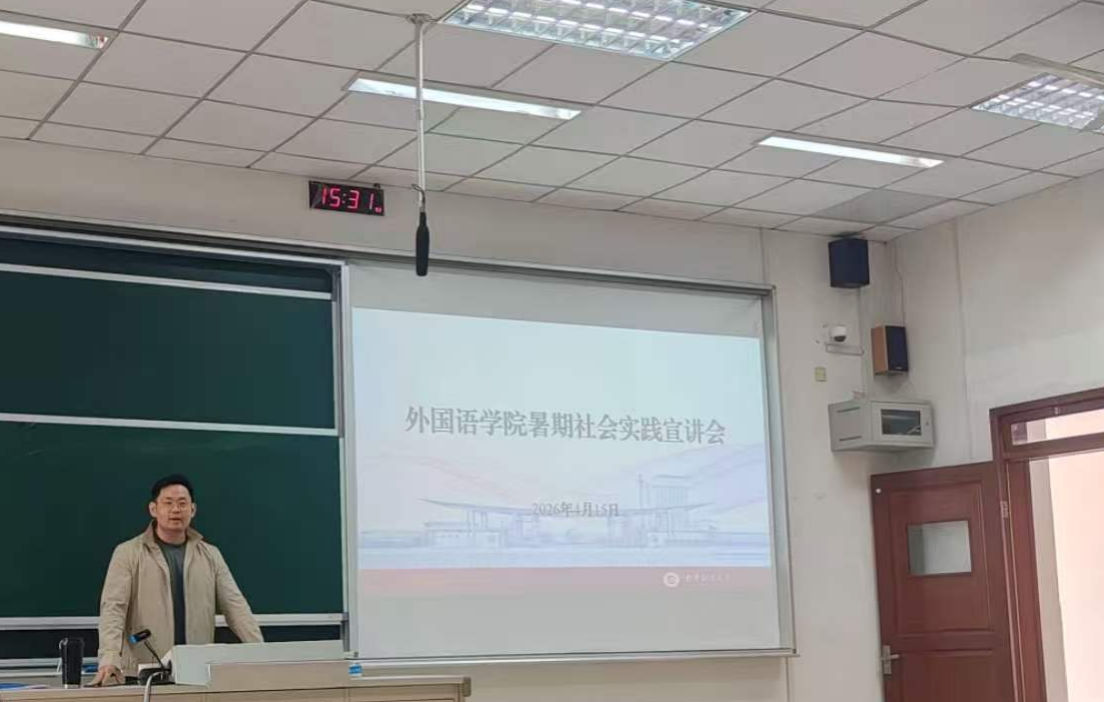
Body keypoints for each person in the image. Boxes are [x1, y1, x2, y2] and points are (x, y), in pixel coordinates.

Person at [91, 475, 263, 685]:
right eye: (168, 503)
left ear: (193, 509)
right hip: (142, 674)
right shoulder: (128, 553)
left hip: (197, 672)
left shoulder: (210, 555)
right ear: (153, 509)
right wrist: (109, 658)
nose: (175, 510)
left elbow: (236, 607)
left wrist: (261, 652)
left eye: (182, 503)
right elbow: (113, 609)